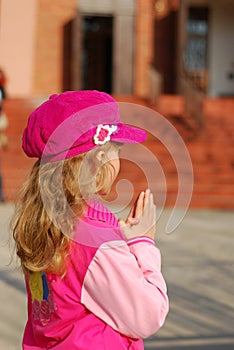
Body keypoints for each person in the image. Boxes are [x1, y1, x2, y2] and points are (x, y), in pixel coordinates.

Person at [12, 90, 169, 349]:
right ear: (99, 158)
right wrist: (143, 243)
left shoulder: (47, 220)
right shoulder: (95, 242)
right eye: (116, 149)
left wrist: (120, 243)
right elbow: (149, 315)